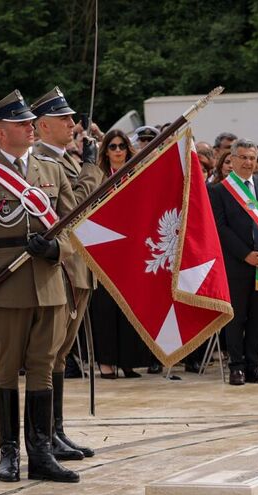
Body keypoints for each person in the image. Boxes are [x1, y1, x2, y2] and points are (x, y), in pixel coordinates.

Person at [0, 89, 96, 485]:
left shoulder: (50, 172)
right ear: (0, 133)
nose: (31, 128)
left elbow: (74, 227)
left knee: (42, 370)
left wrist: (56, 249)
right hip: (5, 283)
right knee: (4, 372)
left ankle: (41, 453)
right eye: (21, 124)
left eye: (31, 123)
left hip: (49, 283)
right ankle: (9, 454)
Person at [31, 86, 103, 461]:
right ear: (43, 126)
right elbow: (76, 208)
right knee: (52, 354)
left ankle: (56, 430)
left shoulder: (66, 160)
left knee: (62, 356)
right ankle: (47, 434)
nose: (73, 124)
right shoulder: (44, 161)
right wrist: (91, 167)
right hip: (62, 266)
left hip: (79, 267)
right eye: (65, 119)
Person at [209, 138, 258, 386]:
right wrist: (245, 254)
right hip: (237, 264)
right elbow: (221, 228)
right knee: (237, 317)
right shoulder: (220, 190)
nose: (248, 162)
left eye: (252, 158)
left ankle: (255, 366)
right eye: (243, 157)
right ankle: (237, 367)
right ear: (232, 159)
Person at [90, 129, 153, 378]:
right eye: (112, 146)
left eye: (122, 146)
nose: (117, 151)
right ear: (105, 151)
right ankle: (106, 362)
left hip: (132, 247)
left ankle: (128, 361)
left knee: (130, 306)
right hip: (103, 248)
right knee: (105, 307)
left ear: (128, 149)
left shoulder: (137, 173)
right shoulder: (97, 176)